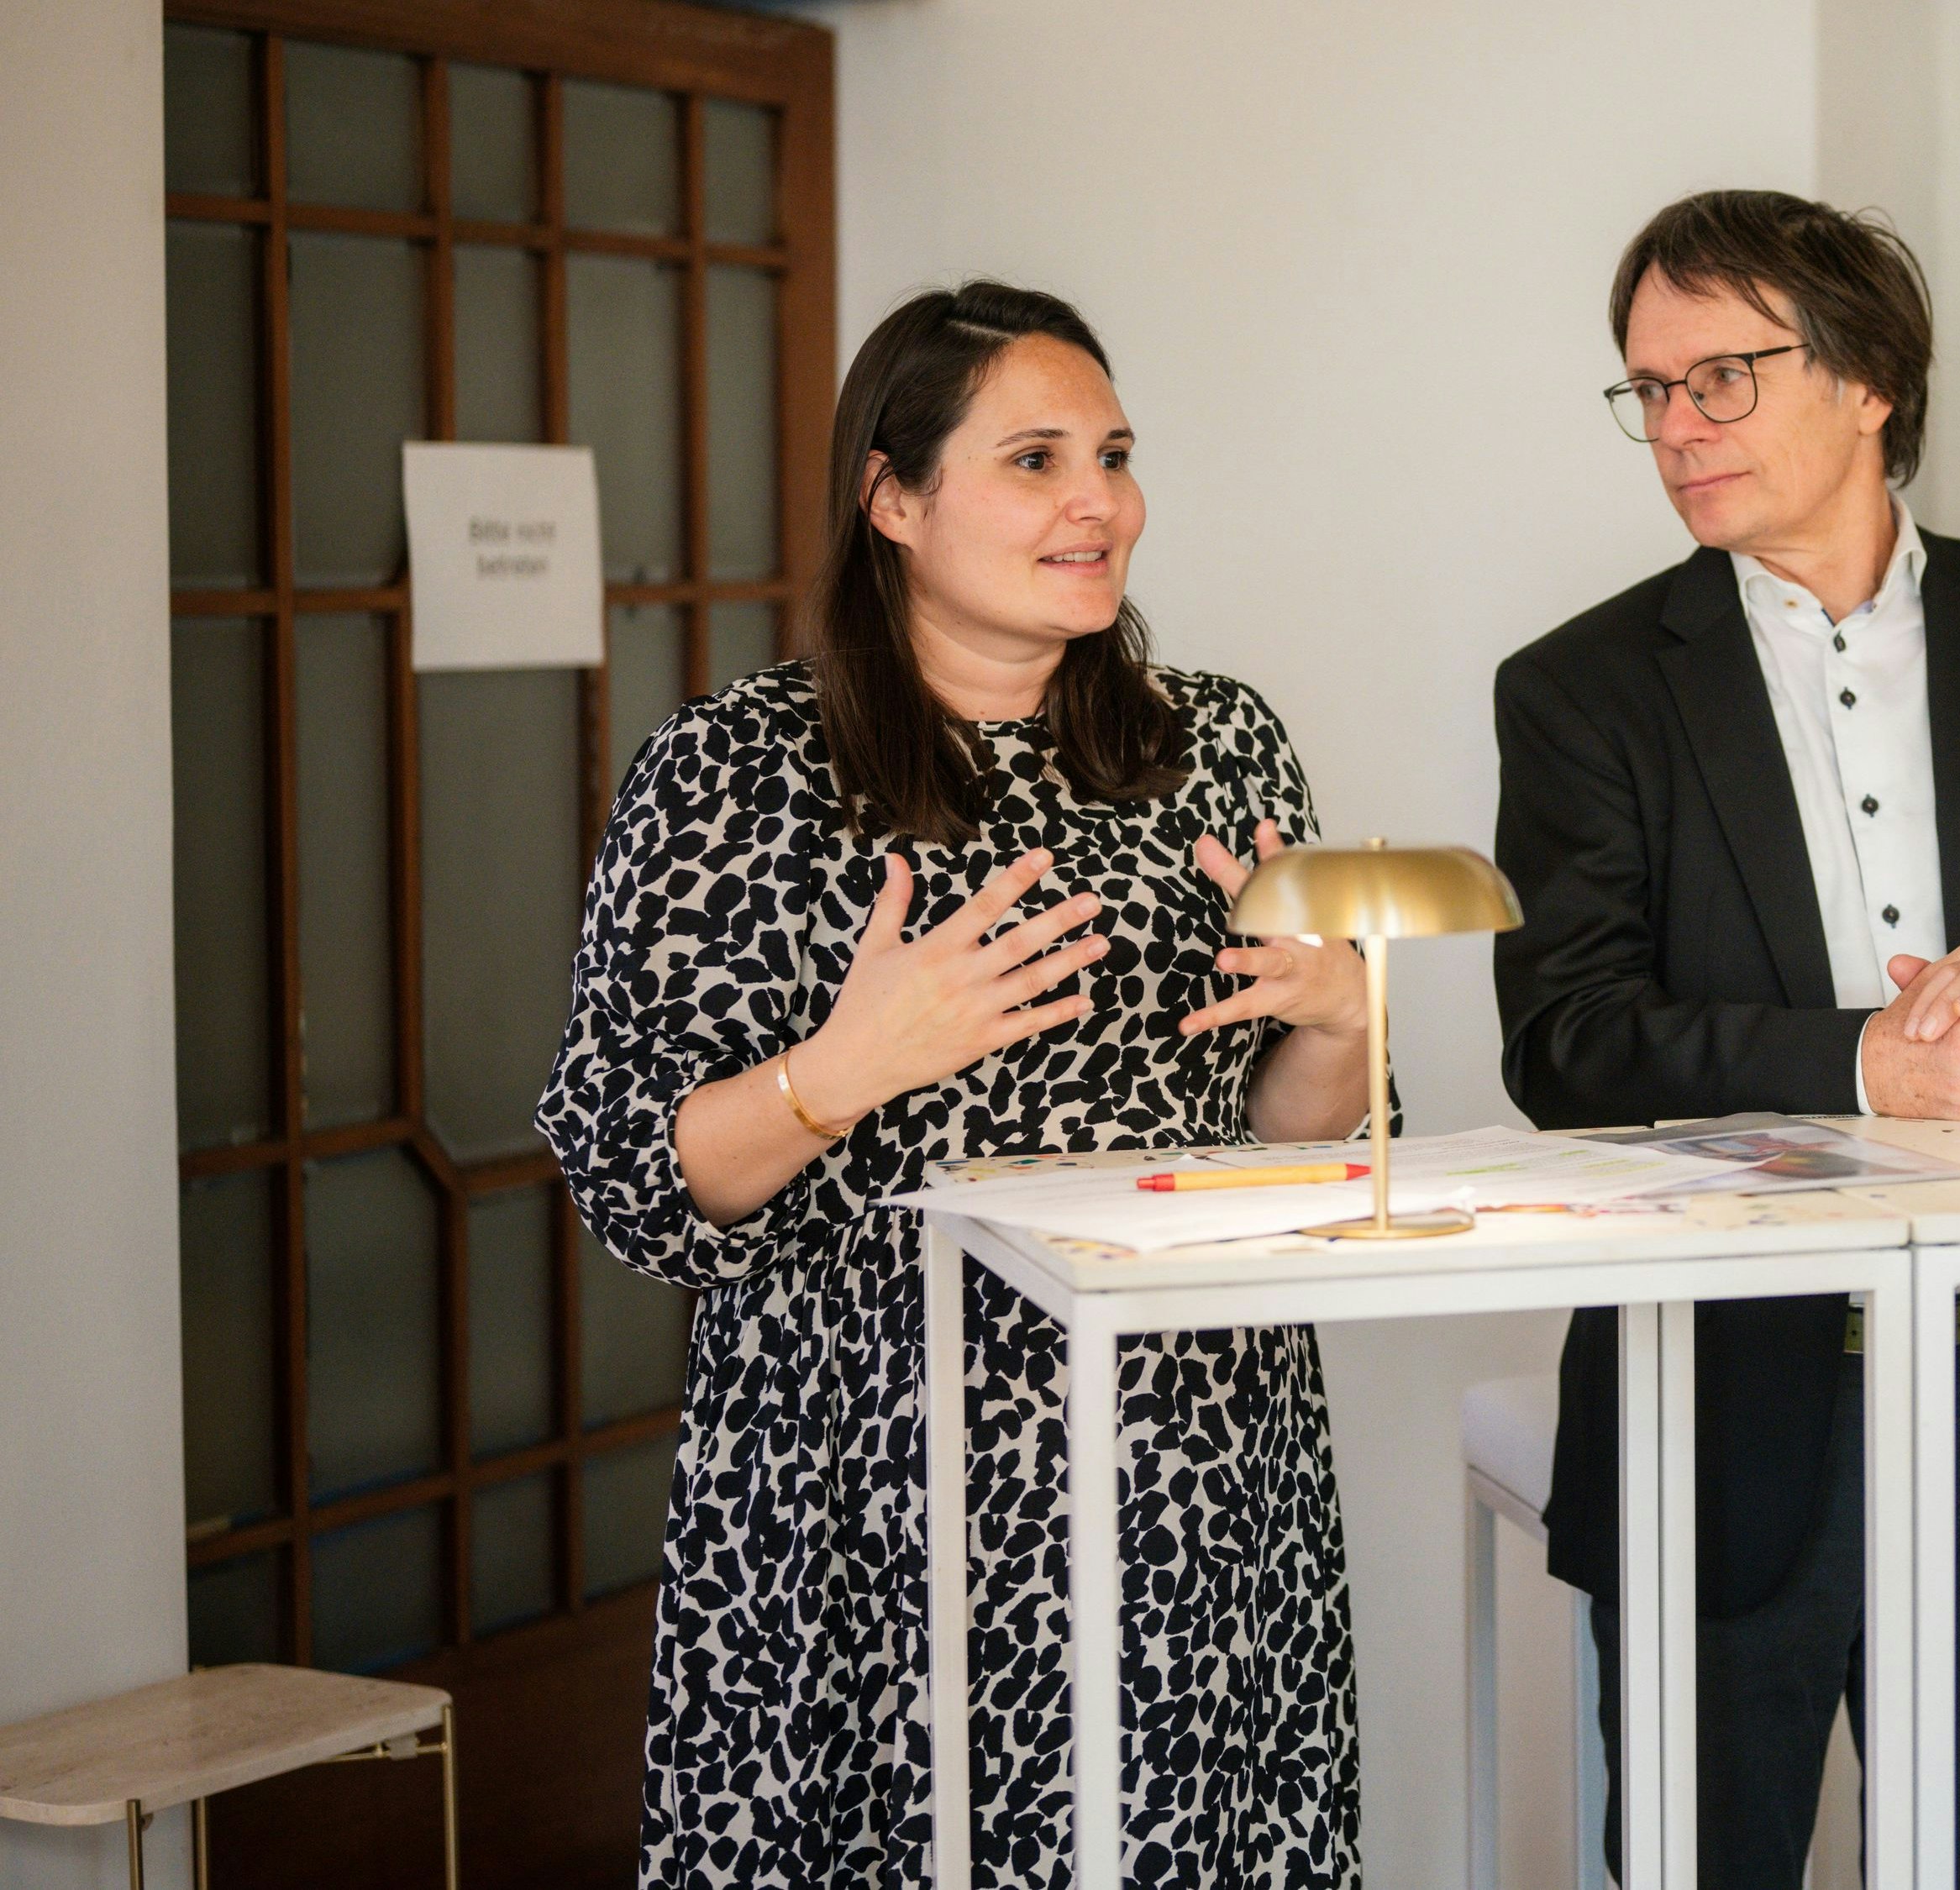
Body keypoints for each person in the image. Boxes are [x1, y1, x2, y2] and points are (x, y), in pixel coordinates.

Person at [539, 281, 1375, 1887]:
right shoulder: (732, 771)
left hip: (1187, 1466)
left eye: (1114, 456)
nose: (1099, 503)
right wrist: (845, 1069)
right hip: (862, 1488)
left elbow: (1279, 1136)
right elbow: (636, 1175)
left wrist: (1339, 1024)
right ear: (894, 498)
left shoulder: (1219, 745)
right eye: (1036, 460)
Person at [1493, 190, 1960, 1887]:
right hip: (1715, 1401)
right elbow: (1566, 1039)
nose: (1676, 427)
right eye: (1649, 389)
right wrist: (1878, 1064)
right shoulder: (1580, 687)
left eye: (1722, 377)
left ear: (1868, 382)